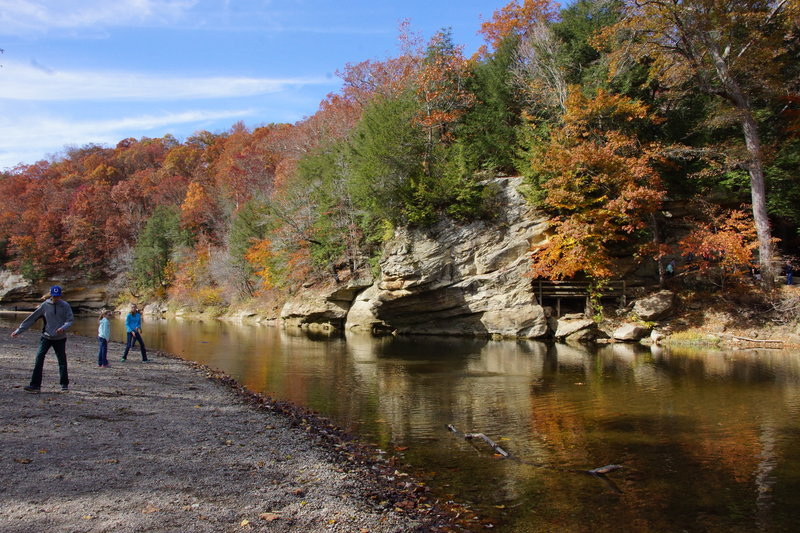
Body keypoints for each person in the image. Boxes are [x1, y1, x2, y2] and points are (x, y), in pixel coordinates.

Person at [10, 285, 74, 393]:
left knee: (62, 361)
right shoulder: (45, 305)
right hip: (46, 337)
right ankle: (35, 385)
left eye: (58, 296)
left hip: (60, 338)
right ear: (51, 295)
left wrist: (63, 328)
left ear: (60, 295)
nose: (56, 298)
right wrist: (19, 330)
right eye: (54, 296)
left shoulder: (65, 305)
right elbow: (32, 318)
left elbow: (70, 320)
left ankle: (64, 385)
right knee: (39, 358)